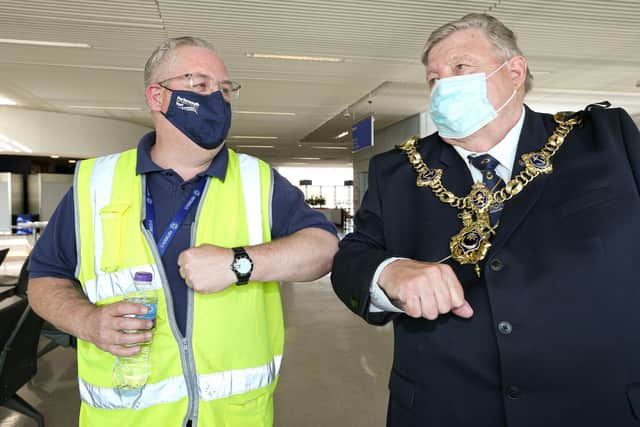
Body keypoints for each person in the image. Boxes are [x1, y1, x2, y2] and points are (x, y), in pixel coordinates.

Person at [331, 13, 640, 427]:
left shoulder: (604, 140)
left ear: (514, 72)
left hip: (595, 404)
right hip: (444, 408)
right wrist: (388, 273)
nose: (443, 86)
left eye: (460, 67)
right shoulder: (397, 170)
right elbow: (351, 257)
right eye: (433, 78)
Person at [28, 36, 338, 427]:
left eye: (226, 89)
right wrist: (87, 321)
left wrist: (239, 263)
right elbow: (44, 280)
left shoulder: (256, 180)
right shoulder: (97, 183)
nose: (219, 99)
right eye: (201, 85)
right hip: (127, 416)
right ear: (158, 97)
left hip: (233, 416)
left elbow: (324, 249)